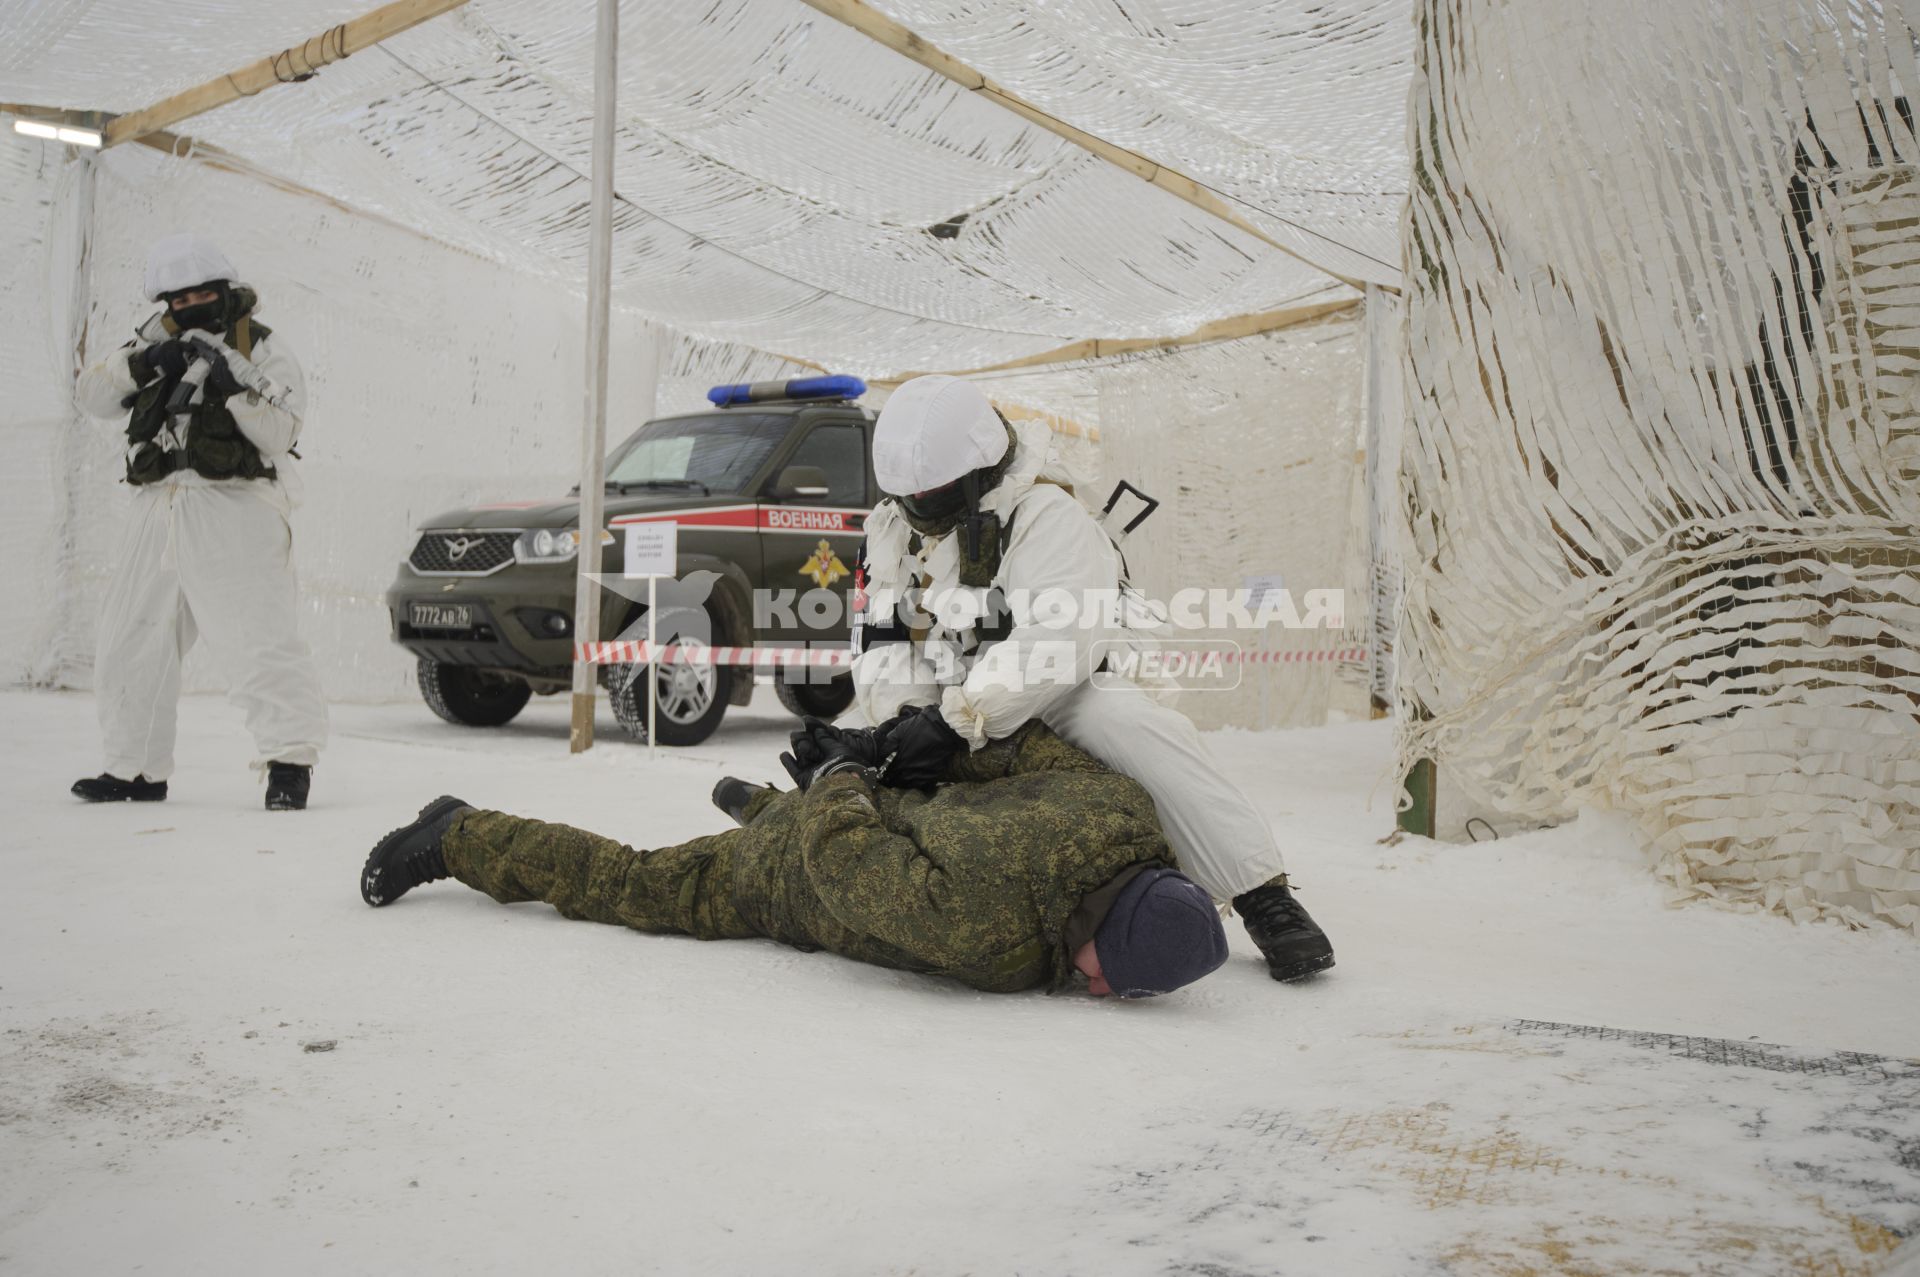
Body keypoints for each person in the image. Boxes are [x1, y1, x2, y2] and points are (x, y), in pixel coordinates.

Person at [850, 375, 1335, 981]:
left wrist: (957, 722)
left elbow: (1060, 643)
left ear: (977, 474)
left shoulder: (1046, 514)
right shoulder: (891, 529)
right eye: (909, 497)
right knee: (869, 764)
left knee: (1122, 720)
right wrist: (905, 720)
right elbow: (880, 641)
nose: (920, 511)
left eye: (936, 494)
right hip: (953, 696)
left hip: (1063, 689)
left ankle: (1263, 894)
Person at [360, 719, 1229, 999]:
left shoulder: (1124, 810)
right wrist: (840, 778)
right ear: (1105, 940)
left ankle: (759, 802)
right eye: (1111, 978)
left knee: (855, 817)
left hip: (899, 803)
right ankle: (457, 832)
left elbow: (1019, 746)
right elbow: (846, 862)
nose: (1103, 992)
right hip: (795, 871)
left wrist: (888, 750)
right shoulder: (993, 932)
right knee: (626, 881)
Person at [69, 233, 327, 811]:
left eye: (202, 294)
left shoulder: (261, 346)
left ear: (225, 289)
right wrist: (141, 365)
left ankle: (289, 762)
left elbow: (282, 433)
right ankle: (134, 769)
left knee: (258, 638)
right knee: (131, 639)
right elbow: (92, 396)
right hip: (158, 504)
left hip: (234, 505)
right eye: (178, 299)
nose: (190, 306)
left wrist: (235, 385)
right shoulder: (151, 342)